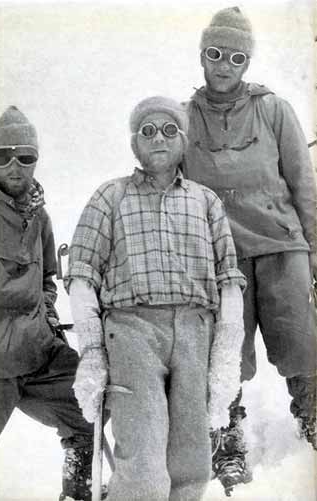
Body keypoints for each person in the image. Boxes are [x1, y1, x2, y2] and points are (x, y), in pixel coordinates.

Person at [65, 96, 247, 501]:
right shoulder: (109, 198)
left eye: (169, 130)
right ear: (134, 144)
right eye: (147, 131)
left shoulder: (205, 201)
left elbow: (228, 280)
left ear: (182, 141)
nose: (158, 138)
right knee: (143, 461)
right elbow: (81, 277)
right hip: (131, 331)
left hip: (196, 330)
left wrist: (226, 356)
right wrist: (92, 352)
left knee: (192, 461)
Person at [184, 5, 317, 494]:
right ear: (202, 55)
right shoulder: (182, 119)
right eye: (215, 54)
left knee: (302, 341)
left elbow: (304, 185)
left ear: (247, 63)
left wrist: (315, 252)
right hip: (222, 259)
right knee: (225, 355)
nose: (224, 65)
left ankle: (313, 414)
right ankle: (227, 439)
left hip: (283, 247)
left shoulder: (274, 110)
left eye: (236, 57)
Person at [0, 106, 96, 501]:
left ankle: (79, 488)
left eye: (24, 156)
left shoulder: (39, 215)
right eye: (1, 156)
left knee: (94, 404)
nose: (13, 165)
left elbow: (45, 279)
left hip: (39, 353)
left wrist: (47, 313)